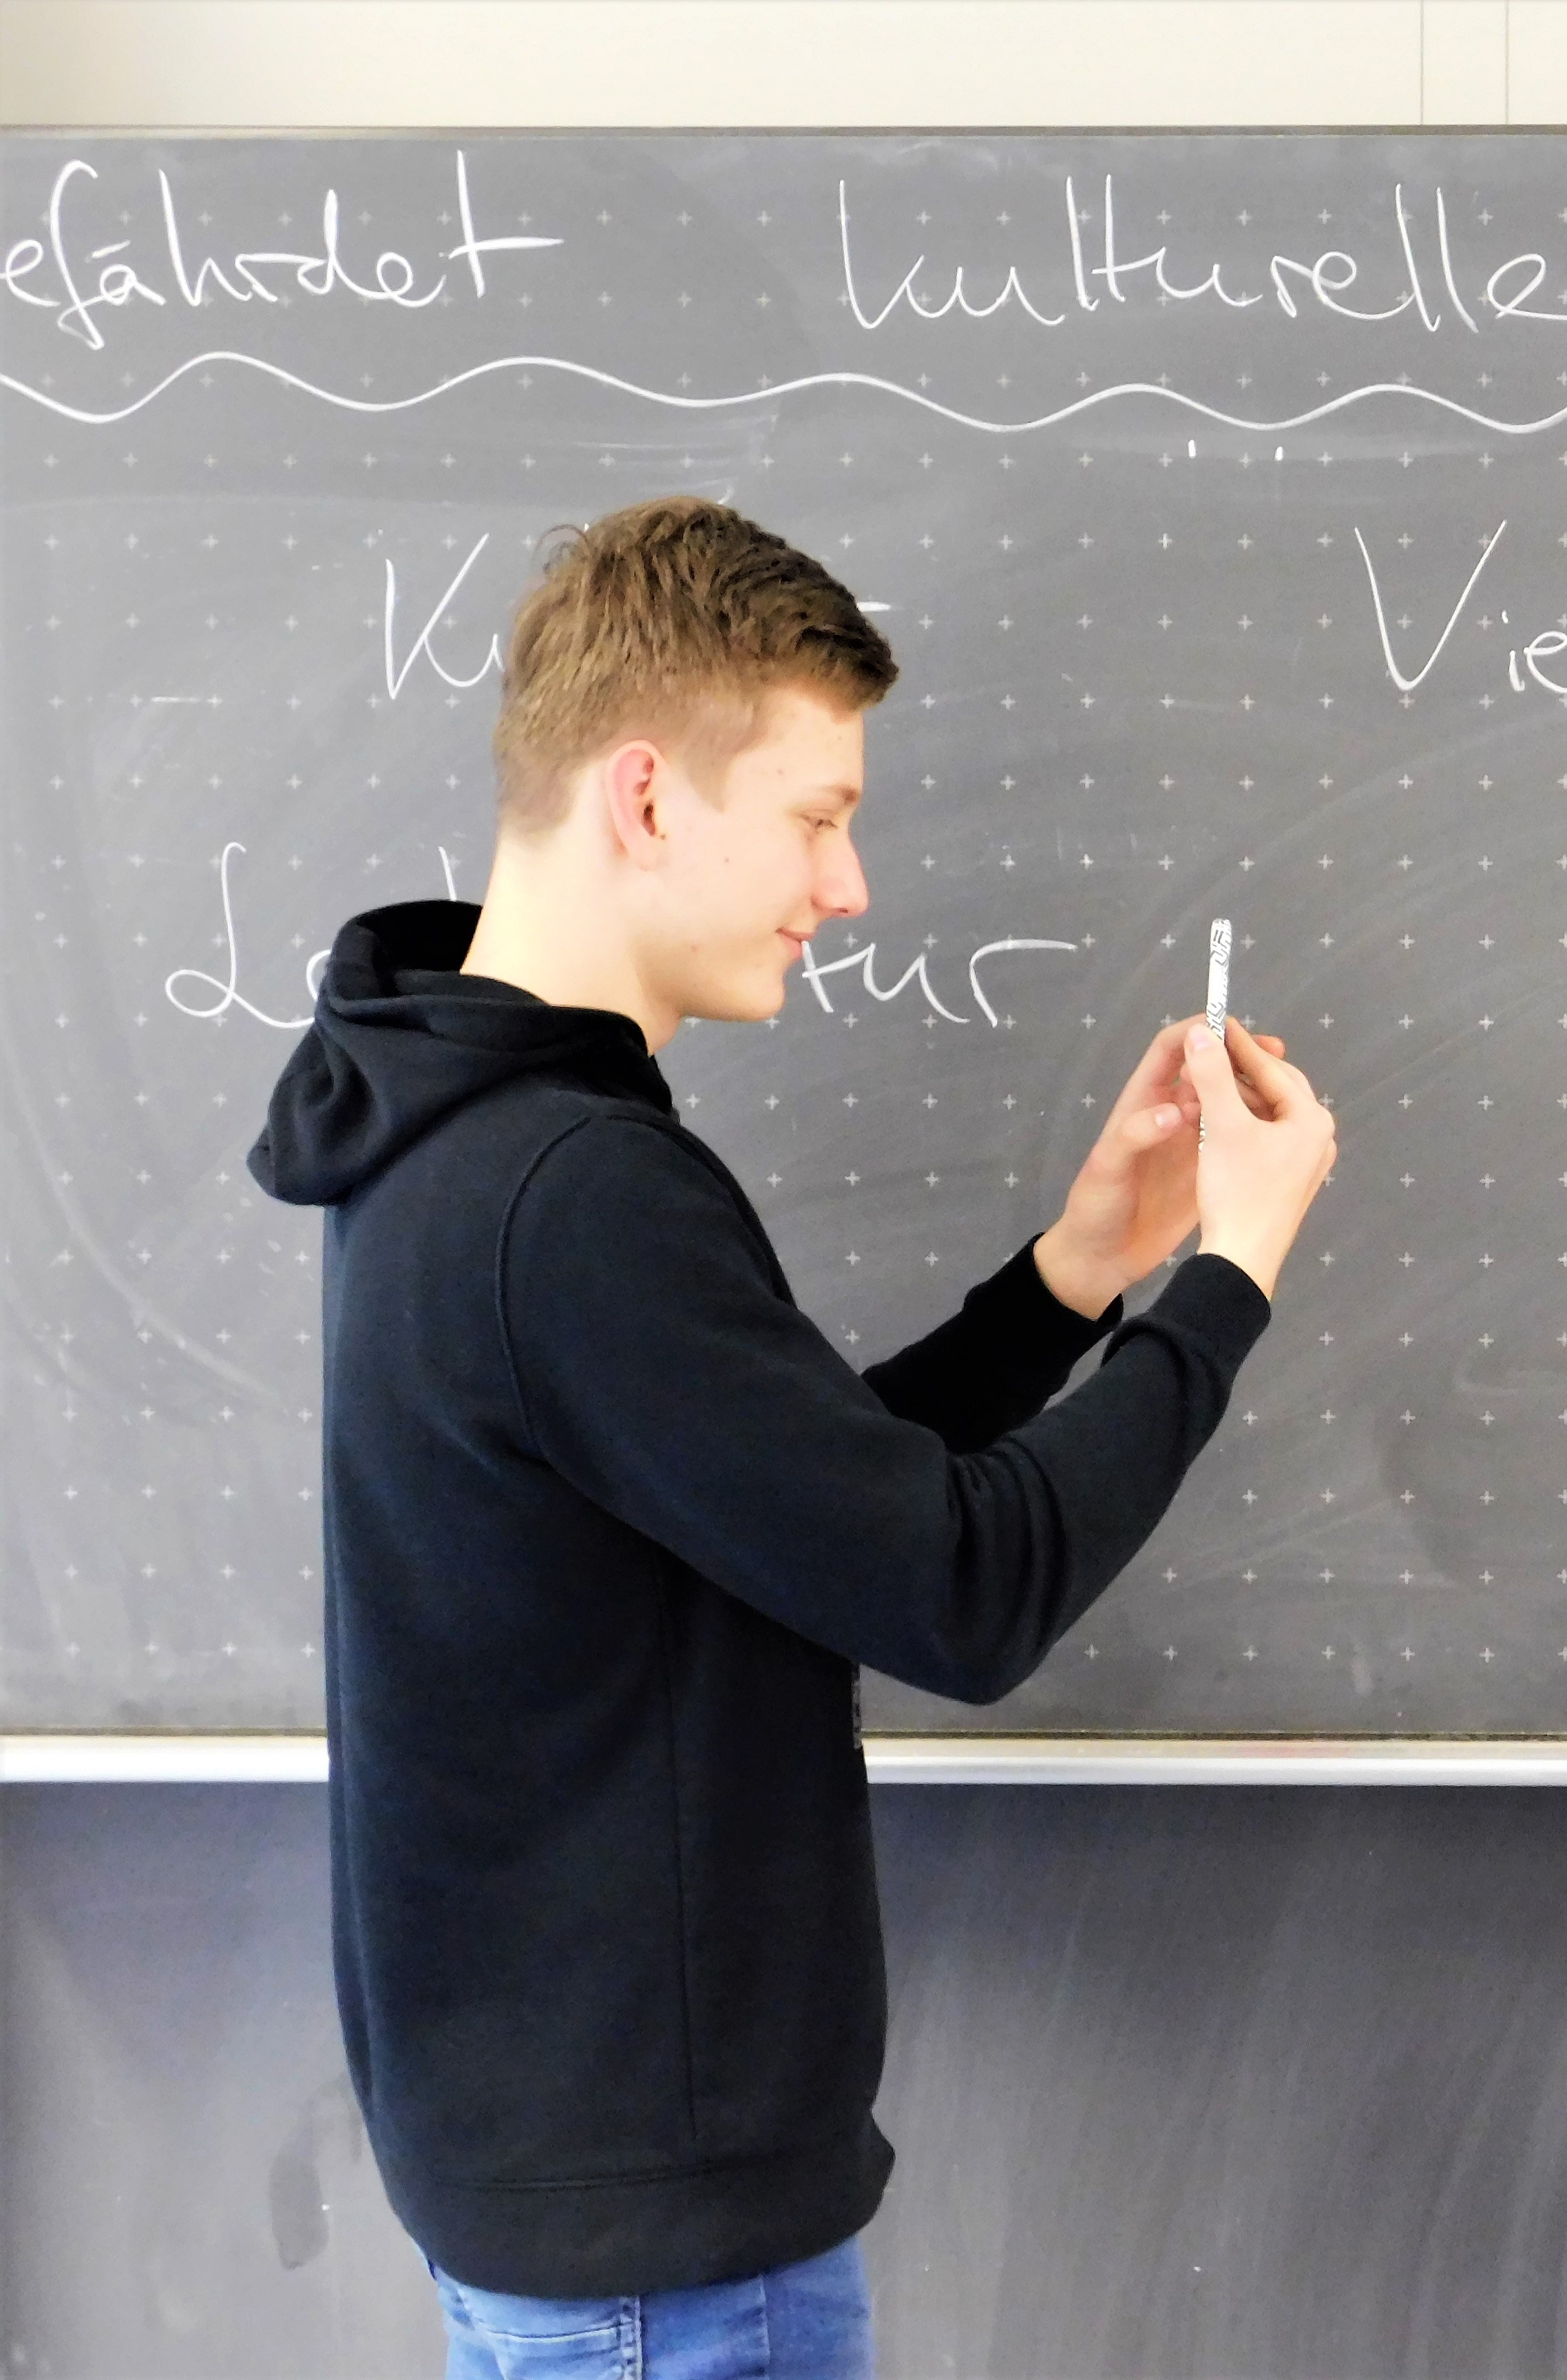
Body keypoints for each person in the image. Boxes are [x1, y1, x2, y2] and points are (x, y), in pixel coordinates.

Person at [249, 496, 1337, 2379]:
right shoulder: (577, 1192)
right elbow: (961, 1587)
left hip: (566, 2193)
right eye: (821, 817)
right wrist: (1230, 1275)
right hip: (656, 2264)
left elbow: (787, 1503)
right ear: (652, 797)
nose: (847, 890)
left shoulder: (453, 1134)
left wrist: (1072, 1280)